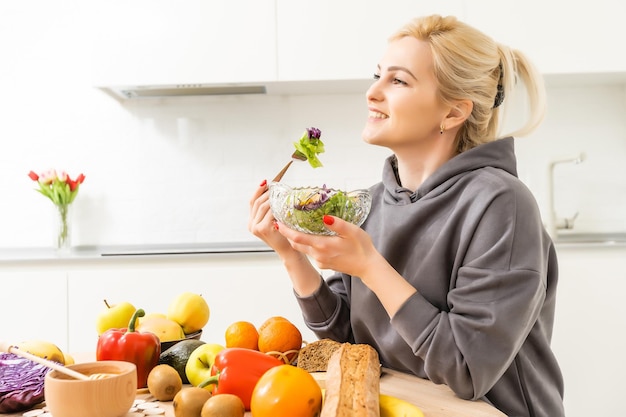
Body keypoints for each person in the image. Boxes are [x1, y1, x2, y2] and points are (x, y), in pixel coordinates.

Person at [248, 14, 564, 417]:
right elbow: (348, 339)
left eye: (397, 81)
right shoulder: (375, 202)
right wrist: (291, 254)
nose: (372, 92)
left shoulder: (501, 204)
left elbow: (467, 369)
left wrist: (371, 267)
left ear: (452, 113)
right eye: (377, 75)